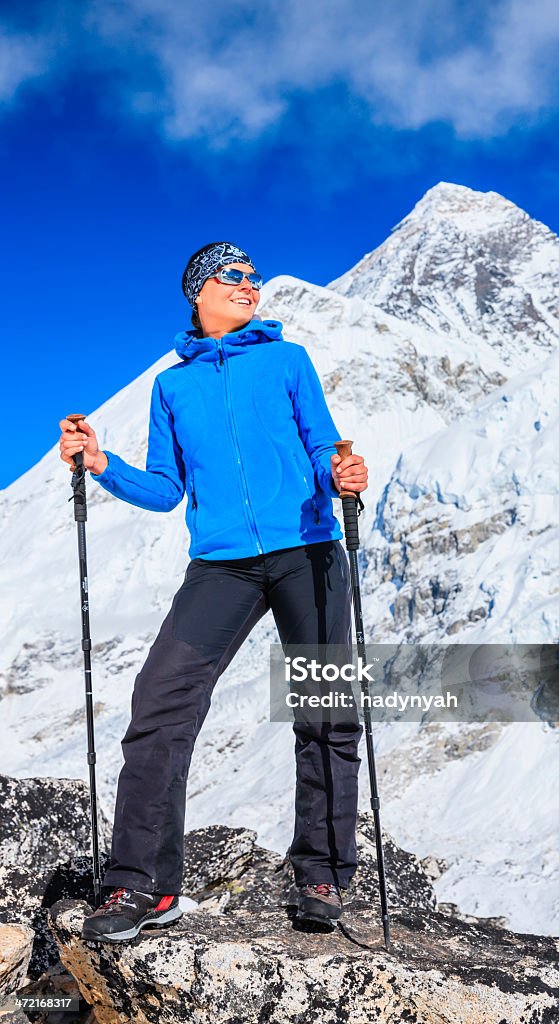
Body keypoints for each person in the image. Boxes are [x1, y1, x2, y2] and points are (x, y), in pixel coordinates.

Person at [58, 241, 368, 942]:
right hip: (221, 565)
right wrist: (102, 463)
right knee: (159, 705)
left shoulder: (287, 361)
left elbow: (323, 445)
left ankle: (321, 874)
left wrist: (340, 475)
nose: (251, 285)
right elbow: (167, 490)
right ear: (199, 290)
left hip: (308, 551)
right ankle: (142, 885)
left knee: (324, 711)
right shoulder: (173, 387)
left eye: (254, 277)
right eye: (235, 276)